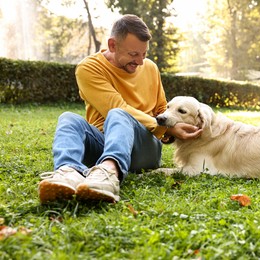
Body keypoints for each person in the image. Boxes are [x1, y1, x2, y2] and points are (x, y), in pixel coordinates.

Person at [38, 14, 202, 204]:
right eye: (134, 54)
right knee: (68, 118)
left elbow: (160, 110)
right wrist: (167, 128)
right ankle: (67, 174)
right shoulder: (89, 68)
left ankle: (109, 173)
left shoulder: (150, 68)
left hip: (144, 148)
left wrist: (169, 128)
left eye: (144, 54)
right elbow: (116, 108)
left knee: (118, 114)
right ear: (113, 45)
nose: (140, 61)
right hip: (103, 144)